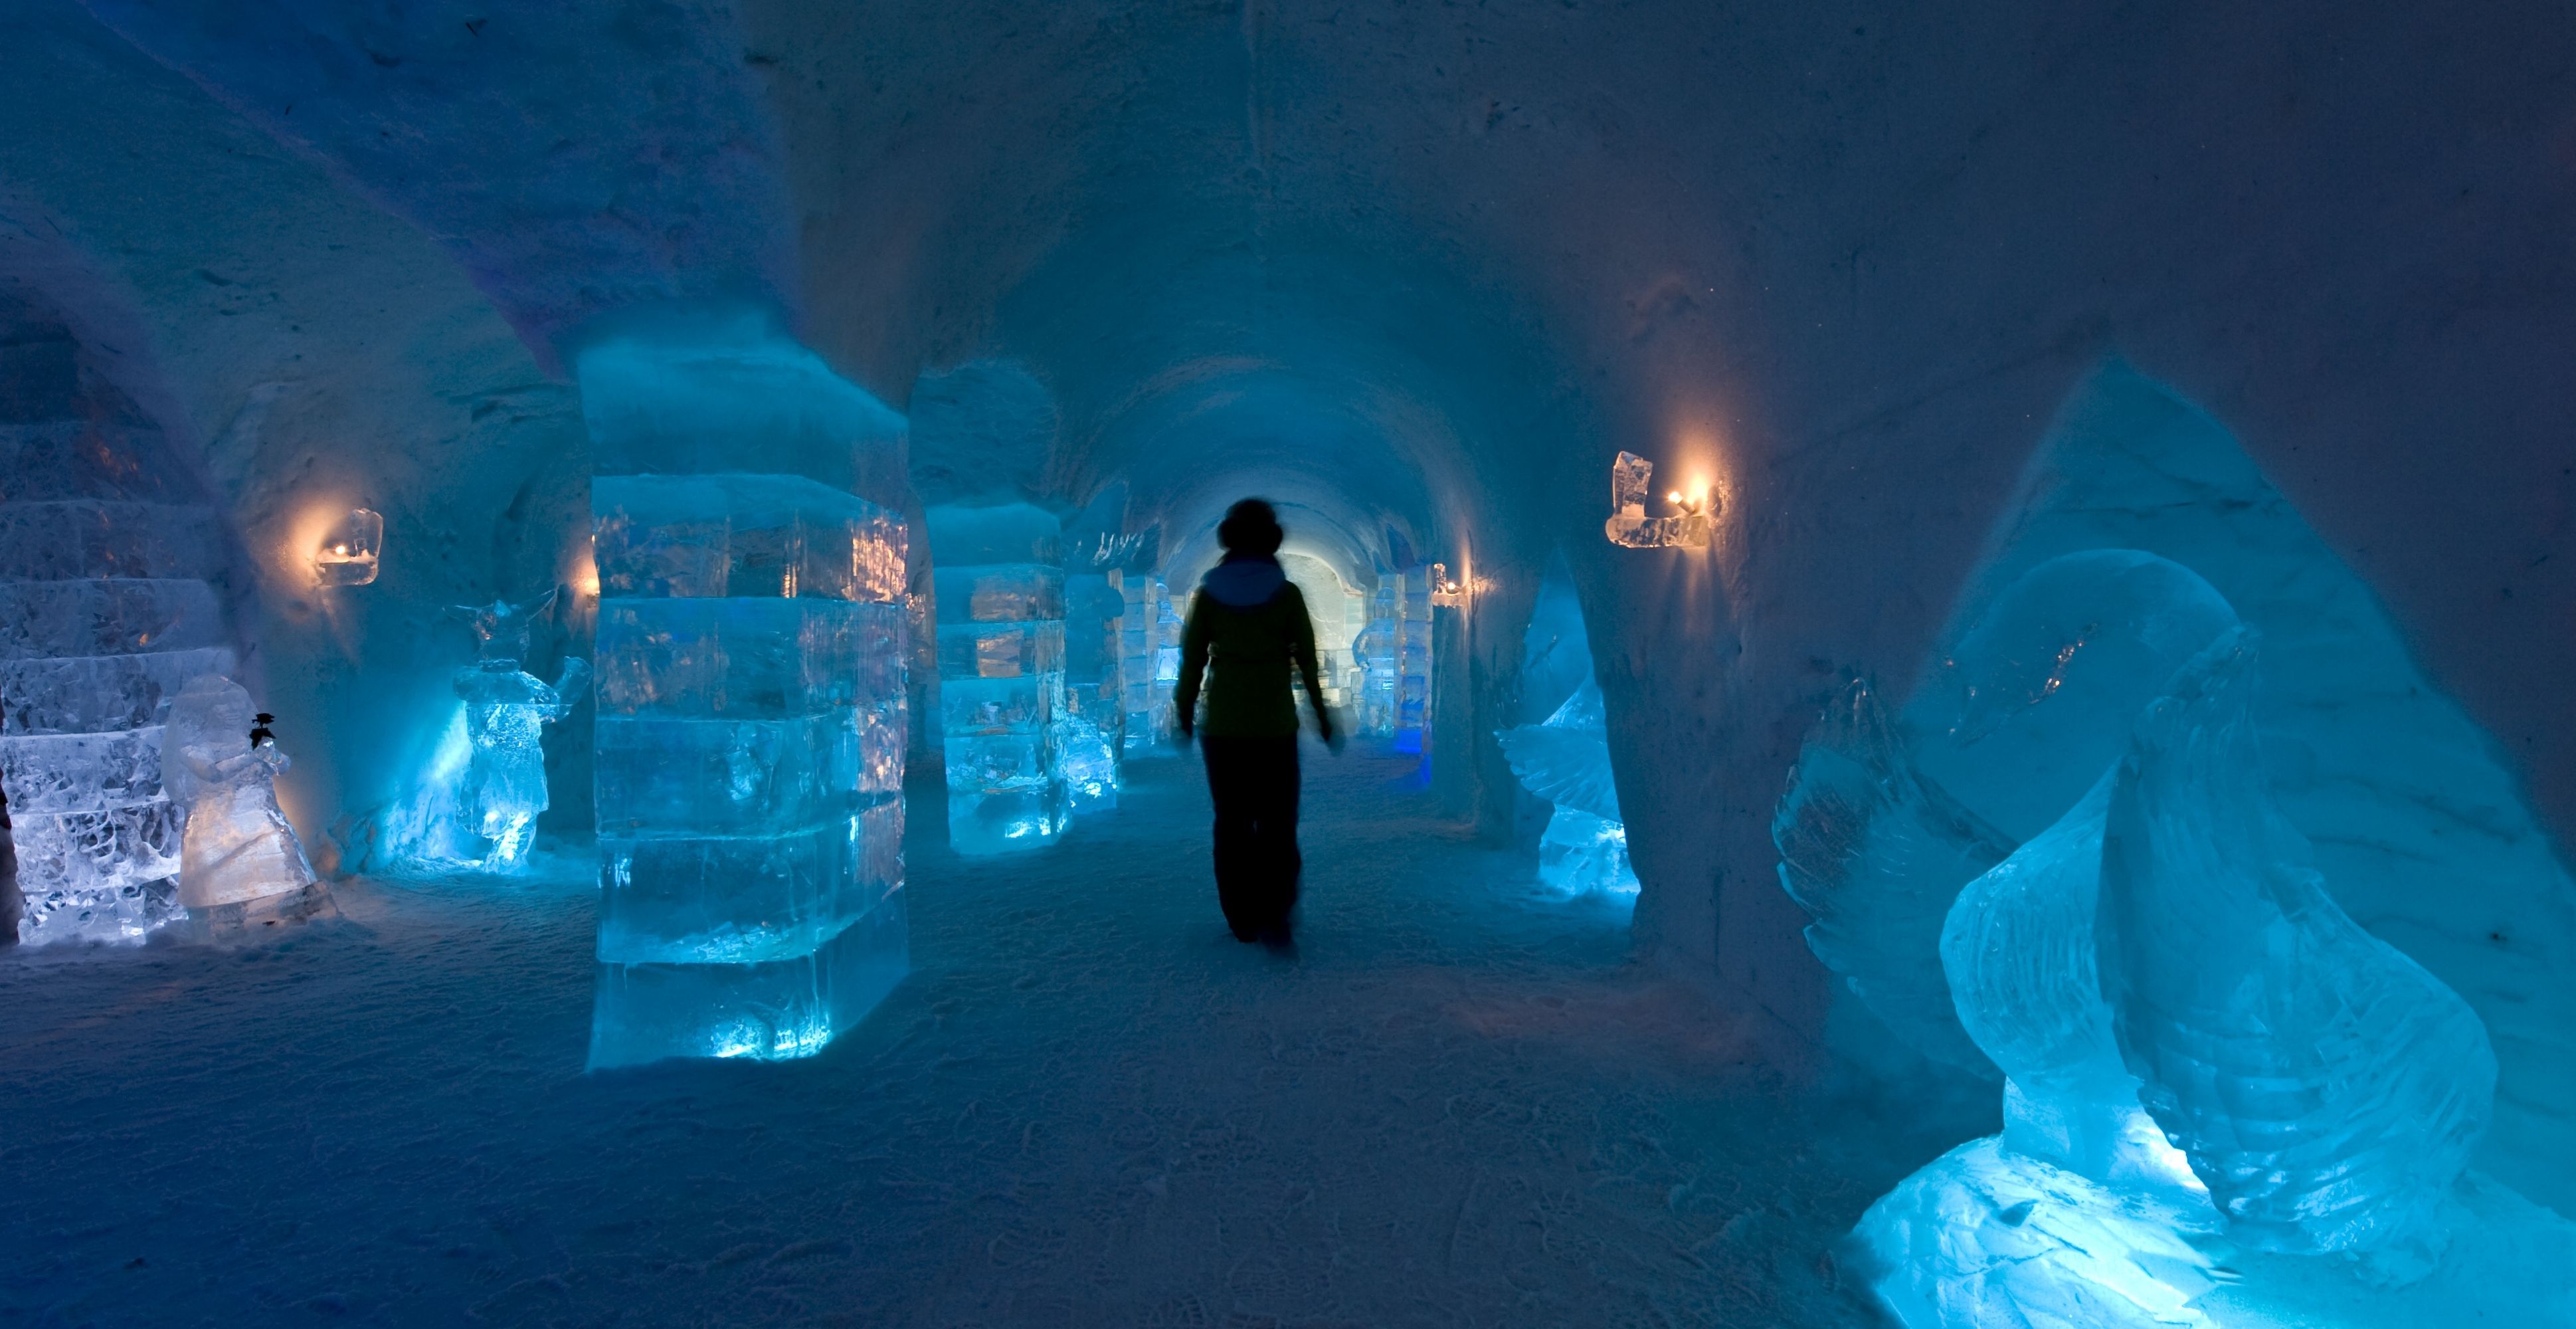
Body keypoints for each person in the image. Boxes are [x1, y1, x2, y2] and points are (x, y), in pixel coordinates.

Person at [1172, 498, 1338, 942]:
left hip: (1223, 724)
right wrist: (1322, 716)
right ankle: (1277, 909)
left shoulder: (1209, 596)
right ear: (1272, 542)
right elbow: (1306, 661)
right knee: (1278, 823)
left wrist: (1184, 711)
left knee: (1231, 823)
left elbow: (1192, 661)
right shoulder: (1286, 596)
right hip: (1274, 725)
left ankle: (1241, 916)